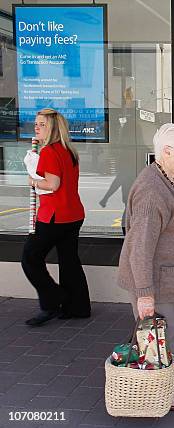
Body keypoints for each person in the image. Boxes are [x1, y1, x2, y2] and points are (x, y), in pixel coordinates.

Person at [117, 123, 174, 412]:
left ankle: (153, 384)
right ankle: (159, 394)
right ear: (166, 151)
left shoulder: (166, 178)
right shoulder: (152, 191)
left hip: (170, 274)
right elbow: (140, 247)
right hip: (155, 278)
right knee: (163, 337)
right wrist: (145, 294)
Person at [21, 108, 91, 326]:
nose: (36, 127)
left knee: (30, 258)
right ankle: (77, 307)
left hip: (54, 217)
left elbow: (52, 185)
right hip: (73, 214)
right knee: (69, 261)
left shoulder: (50, 152)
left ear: (51, 127)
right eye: (36, 123)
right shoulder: (69, 151)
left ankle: (53, 299)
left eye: (41, 124)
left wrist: (33, 181)